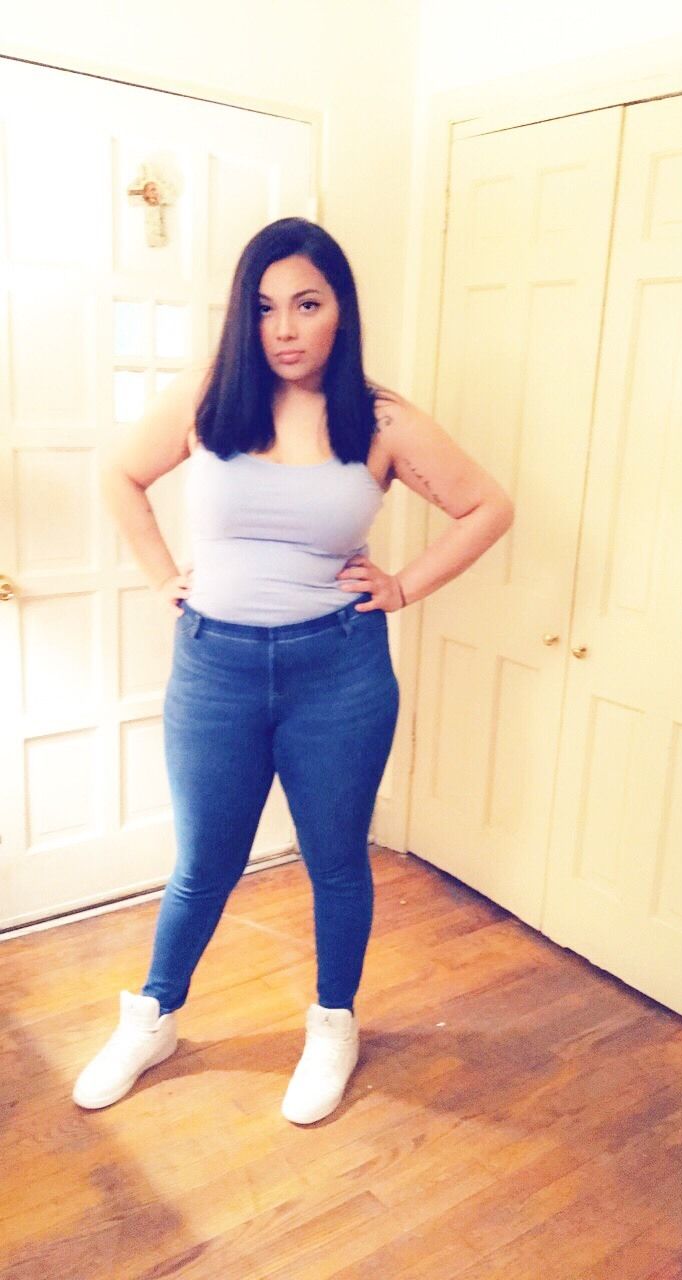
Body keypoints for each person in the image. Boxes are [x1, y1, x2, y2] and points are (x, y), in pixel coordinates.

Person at [72, 216, 514, 1123]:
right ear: (246, 314)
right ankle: (152, 1017)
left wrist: (402, 587)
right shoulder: (210, 399)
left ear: (340, 309)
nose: (284, 328)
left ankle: (333, 1024)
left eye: (307, 305)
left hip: (337, 673)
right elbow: (118, 473)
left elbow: (486, 506)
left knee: (335, 860)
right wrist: (162, 576)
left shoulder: (379, 419)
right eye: (266, 307)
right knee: (205, 861)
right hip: (215, 670)